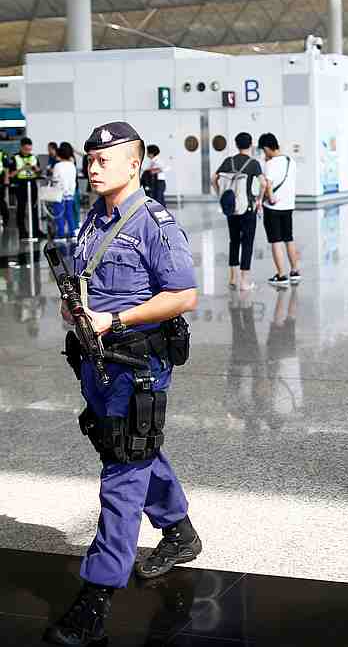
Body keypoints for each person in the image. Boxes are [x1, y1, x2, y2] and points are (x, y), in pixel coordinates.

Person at [43, 121, 201, 646]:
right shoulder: (94, 216)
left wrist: (115, 319)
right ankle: (178, 532)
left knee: (122, 475)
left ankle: (96, 597)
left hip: (136, 364)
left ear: (134, 163)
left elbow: (183, 296)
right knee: (132, 448)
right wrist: (78, 310)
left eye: (103, 158)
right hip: (97, 361)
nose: (93, 166)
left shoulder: (154, 222)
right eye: (90, 158)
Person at [212, 132, 264, 291]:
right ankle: (245, 282)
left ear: (236, 144)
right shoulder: (253, 163)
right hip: (247, 208)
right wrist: (259, 200)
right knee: (247, 243)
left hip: (231, 208)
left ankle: (233, 278)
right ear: (250, 144)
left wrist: (220, 194)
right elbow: (263, 183)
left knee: (233, 241)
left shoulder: (229, 161)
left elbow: (213, 178)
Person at [258, 133, 301, 286]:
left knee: (276, 240)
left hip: (273, 207)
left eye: (264, 151)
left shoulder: (271, 164)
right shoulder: (291, 161)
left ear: (266, 148)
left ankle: (281, 275)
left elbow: (267, 184)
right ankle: (295, 271)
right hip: (288, 206)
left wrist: (269, 198)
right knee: (289, 238)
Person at [8, 137, 41, 240]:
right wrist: (21, 169)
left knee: (34, 209)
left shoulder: (34, 158)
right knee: (21, 209)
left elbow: (39, 171)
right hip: (21, 185)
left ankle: (36, 231)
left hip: (32, 184)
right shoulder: (15, 158)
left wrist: (36, 169)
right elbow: (10, 174)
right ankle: (22, 232)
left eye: (29, 150)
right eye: (26, 149)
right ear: (21, 147)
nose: (28, 152)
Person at [50, 142, 79, 240]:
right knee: (69, 214)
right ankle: (72, 233)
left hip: (59, 195)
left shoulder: (57, 166)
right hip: (70, 194)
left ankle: (61, 234)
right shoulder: (72, 165)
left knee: (59, 215)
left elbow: (55, 179)